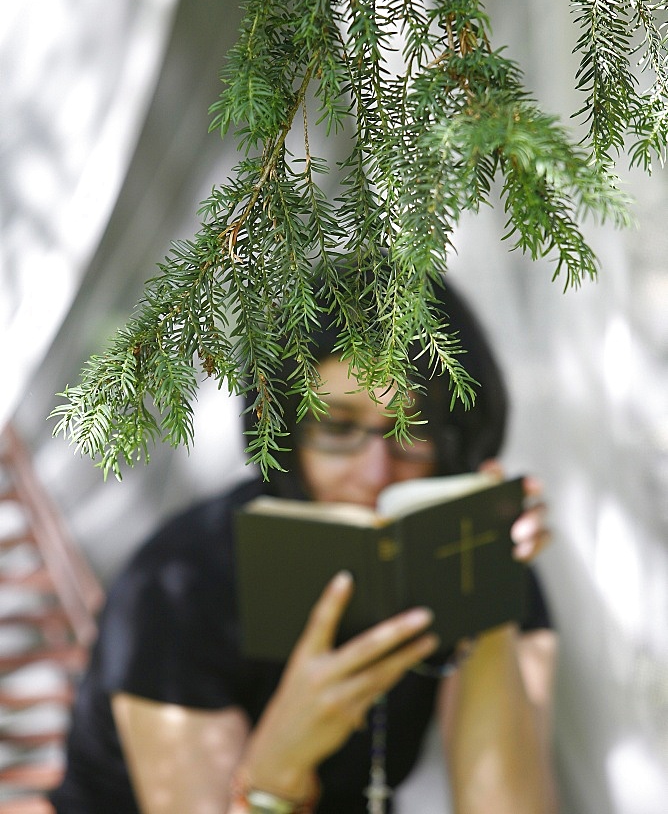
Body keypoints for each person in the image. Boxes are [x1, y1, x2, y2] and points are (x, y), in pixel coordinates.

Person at [50, 274, 557, 814]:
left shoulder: (483, 559)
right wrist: (281, 760)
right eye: (338, 428)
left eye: (411, 427)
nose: (376, 471)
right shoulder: (182, 584)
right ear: (287, 429)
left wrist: (486, 598)